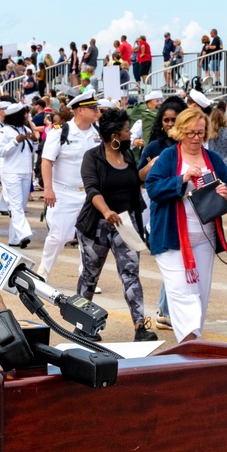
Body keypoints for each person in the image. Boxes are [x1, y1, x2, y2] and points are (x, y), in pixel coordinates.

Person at [145, 107, 227, 343]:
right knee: (182, 294)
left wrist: (225, 194)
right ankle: (189, 343)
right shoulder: (169, 156)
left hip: (205, 238)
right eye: (190, 133)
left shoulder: (213, 159)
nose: (196, 138)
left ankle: (192, 343)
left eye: (200, 133)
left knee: (200, 294)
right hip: (172, 237)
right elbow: (153, 188)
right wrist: (182, 180)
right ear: (180, 132)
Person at [75, 108, 157, 342]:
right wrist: (106, 210)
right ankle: (82, 326)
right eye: (126, 130)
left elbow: (133, 181)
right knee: (90, 276)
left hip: (125, 224)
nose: (130, 133)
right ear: (114, 136)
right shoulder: (92, 157)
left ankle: (141, 327)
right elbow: (92, 189)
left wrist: (147, 170)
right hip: (96, 225)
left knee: (131, 274)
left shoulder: (128, 155)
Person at [38, 90, 101, 276]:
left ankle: (86, 276)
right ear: (81, 111)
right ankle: (44, 270)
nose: (97, 111)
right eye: (93, 108)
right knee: (58, 236)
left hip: (89, 193)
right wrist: (48, 189)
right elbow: (47, 161)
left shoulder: (98, 133)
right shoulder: (60, 132)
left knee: (89, 236)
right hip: (63, 192)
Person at [138, 96, 188, 330]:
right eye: (166, 120)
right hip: (163, 209)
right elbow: (139, 177)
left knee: (184, 259)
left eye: (174, 120)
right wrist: (152, 166)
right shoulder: (154, 146)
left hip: (189, 209)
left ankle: (168, 310)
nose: (169, 124)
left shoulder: (191, 144)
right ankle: (165, 311)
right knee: (172, 258)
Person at [0, 103, 38, 247]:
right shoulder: (5, 131)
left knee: (21, 206)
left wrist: (34, 140)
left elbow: (32, 150)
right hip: (12, 172)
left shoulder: (25, 129)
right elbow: (1, 152)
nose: (27, 116)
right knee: (16, 206)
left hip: (26, 172)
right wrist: (15, 141)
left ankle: (14, 239)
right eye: (24, 114)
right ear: (17, 116)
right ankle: (24, 233)